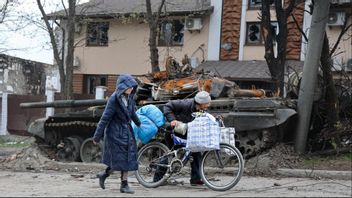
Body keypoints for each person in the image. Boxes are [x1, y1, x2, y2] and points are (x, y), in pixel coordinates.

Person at [92, 74, 141, 194]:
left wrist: (138, 123)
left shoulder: (129, 97)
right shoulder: (114, 99)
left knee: (123, 158)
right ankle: (124, 185)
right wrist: (97, 136)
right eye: (129, 86)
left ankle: (104, 174)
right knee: (122, 158)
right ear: (123, 87)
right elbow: (105, 118)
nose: (131, 89)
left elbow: (132, 112)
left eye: (132, 87)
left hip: (126, 131)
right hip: (115, 133)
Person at [162, 90, 211, 186]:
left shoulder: (202, 110)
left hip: (188, 133)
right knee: (171, 154)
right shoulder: (185, 104)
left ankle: (195, 179)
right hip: (174, 132)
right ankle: (158, 178)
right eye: (206, 104)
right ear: (200, 103)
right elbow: (167, 106)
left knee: (196, 153)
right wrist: (172, 120)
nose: (208, 105)